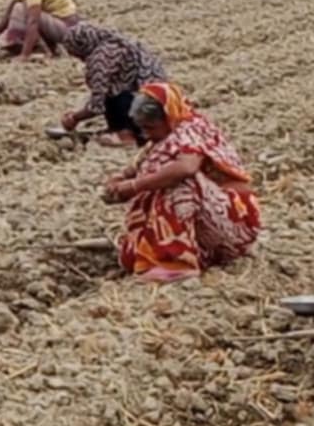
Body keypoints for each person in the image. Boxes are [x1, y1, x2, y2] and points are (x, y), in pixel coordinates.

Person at [106, 82, 260, 283]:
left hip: (231, 220)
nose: (145, 134)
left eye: (150, 127)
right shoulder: (168, 134)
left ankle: (178, 263)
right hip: (208, 220)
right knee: (160, 186)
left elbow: (186, 168)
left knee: (180, 183)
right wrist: (121, 179)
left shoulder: (190, 131)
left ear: (167, 117)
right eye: (142, 128)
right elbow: (142, 163)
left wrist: (135, 186)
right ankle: (164, 251)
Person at [60, 22, 169, 146]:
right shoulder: (118, 43)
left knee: (113, 95)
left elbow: (97, 105)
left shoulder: (101, 58)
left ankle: (126, 134)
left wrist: (74, 118)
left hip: (147, 107)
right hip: (159, 103)